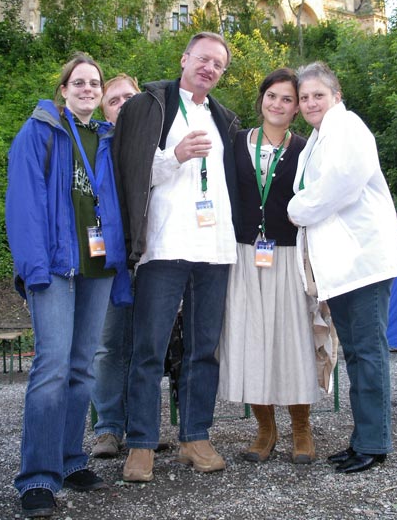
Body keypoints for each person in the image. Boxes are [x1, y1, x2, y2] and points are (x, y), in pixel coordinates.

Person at [5, 53, 130, 518]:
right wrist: (33, 267)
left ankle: (69, 459)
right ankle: (36, 477)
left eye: (93, 84)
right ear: (63, 89)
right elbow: (23, 203)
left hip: (98, 267)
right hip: (55, 267)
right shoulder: (39, 131)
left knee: (82, 368)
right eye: (78, 82)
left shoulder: (105, 137)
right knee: (52, 367)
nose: (86, 89)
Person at [113, 31, 240, 482]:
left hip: (214, 248)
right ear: (184, 58)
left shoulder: (226, 119)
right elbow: (128, 171)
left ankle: (195, 437)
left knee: (203, 348)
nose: (209, 68)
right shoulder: (149, 106)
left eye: (218, 65)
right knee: (148, 348)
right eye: (203, 59)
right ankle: (142, 444)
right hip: (164, 247)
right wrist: (175, 156)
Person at [287, 61, 397, 474]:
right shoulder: (320, 136)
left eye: (319, 94)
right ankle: (362, 439)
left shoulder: (347, 127)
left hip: (362, 262)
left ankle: (374, 442)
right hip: (343, 265)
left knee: (368, 353)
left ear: (337, 96)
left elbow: (337, 186)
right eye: (304, 97)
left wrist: (294, 209)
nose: (311, 102)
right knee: (356, 353)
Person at [218, 68, 334, 465]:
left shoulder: (306, 148)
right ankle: (265, 429)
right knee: (249, 340)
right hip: (244, 255)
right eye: (273, 96)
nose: (279, 105)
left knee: (293, 339)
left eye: (288, 99)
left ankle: (301, 428)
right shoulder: (235, 143)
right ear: (261, 99)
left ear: (297, 108)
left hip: (286, 253)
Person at [91, 74, 140, 459]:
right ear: (103, 108)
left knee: (148, 348)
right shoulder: (94, 144)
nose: (122, 104)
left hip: (155, 258)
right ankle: (108, 427)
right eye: (114, 100)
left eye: (129, 98)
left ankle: (142, 430)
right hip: (109, 260)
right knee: (110, 345)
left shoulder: (158, 141)